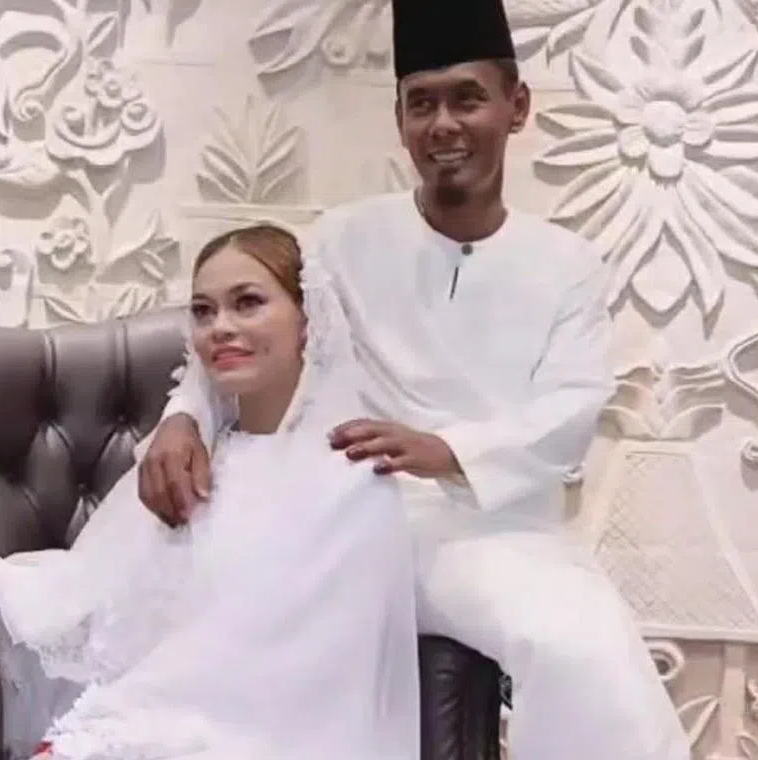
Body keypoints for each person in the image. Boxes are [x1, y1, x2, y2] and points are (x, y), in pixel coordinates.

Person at [137, 1, 692, 758]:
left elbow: (568, 415)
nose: (444, 125)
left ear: (516, 106)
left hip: (505, 534)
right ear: (399, 120)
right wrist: (183, 418)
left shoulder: (567, 265)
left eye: (467, 98)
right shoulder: (343, 239)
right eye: (421, 103)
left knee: (581, 641)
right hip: (365, 522)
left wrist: (446, 450)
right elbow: (251, 333)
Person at [0, 225, 421, 760]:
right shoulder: (197, 462)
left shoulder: (351, 478)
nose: (221, 327)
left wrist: (109, 737)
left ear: (307, 319)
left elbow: (280, 670)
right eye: (203, 310)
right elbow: (100, 586)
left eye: (249, 302)